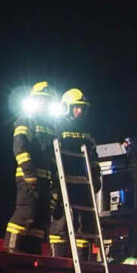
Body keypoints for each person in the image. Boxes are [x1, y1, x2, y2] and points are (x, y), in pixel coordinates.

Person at [4, 81, 55, 253]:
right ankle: (11, 251)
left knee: (40, 221)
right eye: (41, 99)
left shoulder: (50, 125)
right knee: (26, 215)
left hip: (45, 181)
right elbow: (20, 148)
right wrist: (29, 173)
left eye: (47, 100)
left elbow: (52, 155)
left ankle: (31, 255)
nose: (44, 103)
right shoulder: (26, 120)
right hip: (28, 179)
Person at [47, 88, 96, 258]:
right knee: (60, 223)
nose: (79, 111)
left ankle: (84, 262)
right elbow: (52, 155)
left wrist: (96, 178)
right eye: (76, 107)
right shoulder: (56, 126)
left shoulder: (86, 129)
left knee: (85, 224)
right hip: (63, 181)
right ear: (66, 107)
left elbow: (93, 156)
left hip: (82, 182)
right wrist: (53, 182)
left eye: (82, 108)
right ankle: (58, 260)